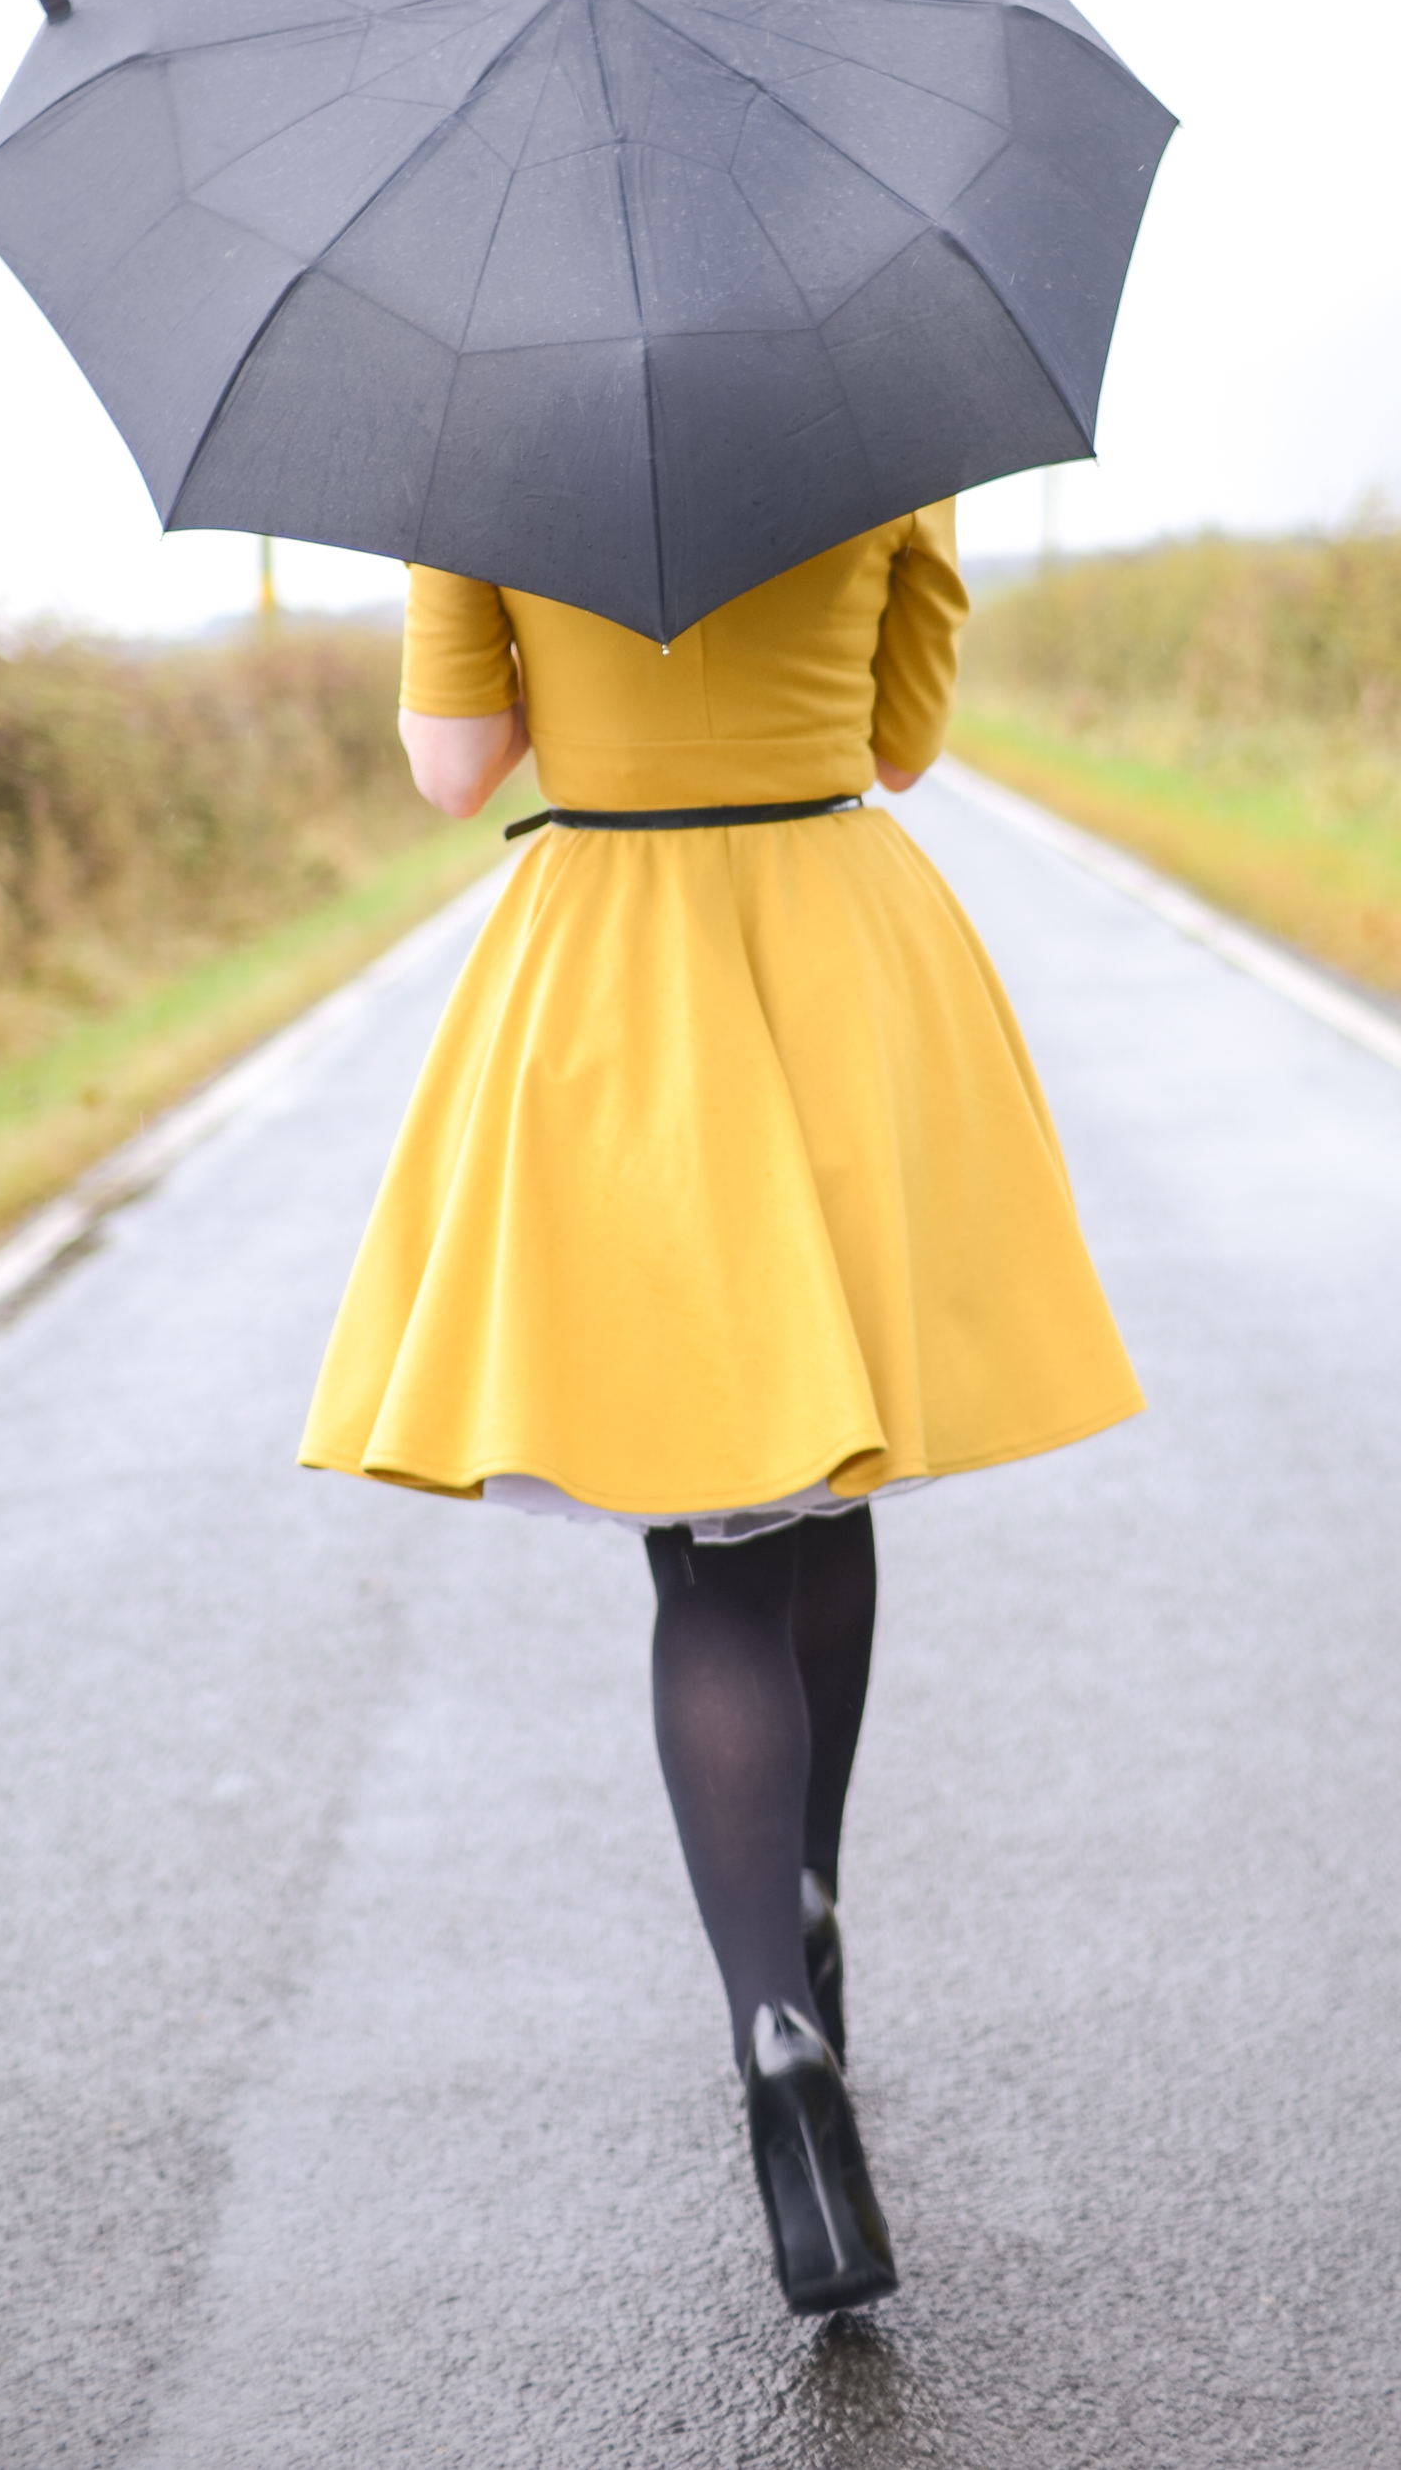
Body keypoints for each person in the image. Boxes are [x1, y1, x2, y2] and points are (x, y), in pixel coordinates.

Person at [297, 502, 1143, 2313]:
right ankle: (813, 1898)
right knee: (821, 1487)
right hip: (840, 958)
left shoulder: (493, 465)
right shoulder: (884, 435)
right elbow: (901, 749)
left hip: (621, 980)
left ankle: (774, 2031)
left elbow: (456, 775)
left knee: (709, 1566)